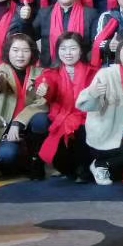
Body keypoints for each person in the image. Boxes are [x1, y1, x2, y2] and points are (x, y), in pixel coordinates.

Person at [76, 34, 123, 185]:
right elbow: (83, 105)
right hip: (107, 135)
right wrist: (93, 93)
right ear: (119, 52)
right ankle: (100, 164)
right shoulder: (106, 74)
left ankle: (111, 167)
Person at [0, 32, 49, 180]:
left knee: (41, 119)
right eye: (15, 50)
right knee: (7, 155)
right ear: (8, 52)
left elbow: (42, 103)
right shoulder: (0, 70)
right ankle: (21, 163)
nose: (20, 55)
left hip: (28, 125)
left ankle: (36, 159)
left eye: (25, 50)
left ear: (32, 53)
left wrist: (18, 122)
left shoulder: (41, 73)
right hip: (5, 127)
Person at [36, 33, 95, 181]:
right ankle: (71, 170)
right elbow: (46, 84)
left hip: (86, 118)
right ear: (57, 51)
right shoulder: (51, 73)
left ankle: (84, 169)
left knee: (83, 132)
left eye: (73, 48)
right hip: (61, 120)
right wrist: (44, 90)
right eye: (63, 49)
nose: (68, 53)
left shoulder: (93, 72)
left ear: (81, 51)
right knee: (59, 157)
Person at [36, 0, 98, 68]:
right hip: (49, 68)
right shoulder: (44, 13)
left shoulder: (91, 14)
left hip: (82, 69)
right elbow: (29, 36)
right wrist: (25, 20)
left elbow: (96, 45)